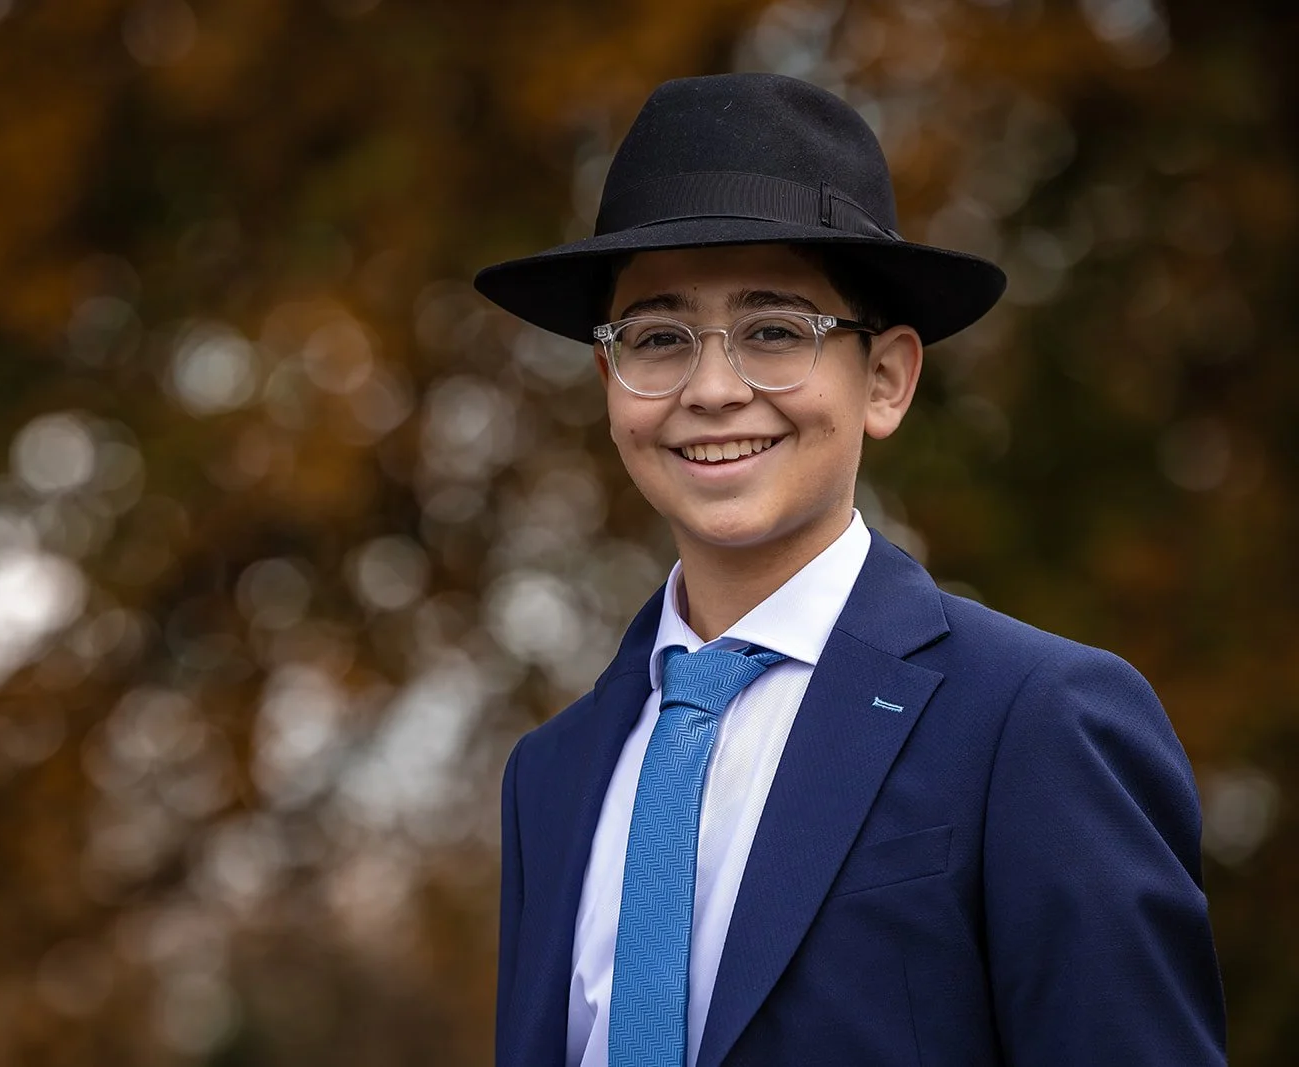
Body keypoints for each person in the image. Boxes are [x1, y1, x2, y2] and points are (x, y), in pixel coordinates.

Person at [474, 73, 1225, 1067]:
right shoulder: (552, 774)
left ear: (885, 378)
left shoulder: (1035, 720)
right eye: (657, 338)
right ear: (610, 379)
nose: (710, 388)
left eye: (775, 331)